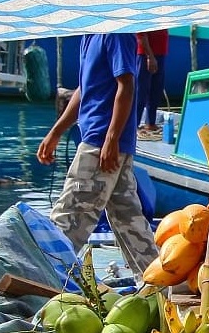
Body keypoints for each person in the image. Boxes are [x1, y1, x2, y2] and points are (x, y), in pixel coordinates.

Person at [37, 33, 160, 278]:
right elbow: (84, 90)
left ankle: (46, 280)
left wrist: (111, 139)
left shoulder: (116, 33)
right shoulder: (89, 35)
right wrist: (56, 132)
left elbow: (126, 85)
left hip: (101, 144)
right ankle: (158, 282)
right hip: (101, 141)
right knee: (129, 220)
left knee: (69, 218)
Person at [136, 29, 169, 138]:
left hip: (160, 54)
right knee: (141, 91)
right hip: (145, 56)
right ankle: (134, 125)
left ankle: (150, 123)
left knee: (156, 90)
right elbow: (141, 34)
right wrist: (150, 56)